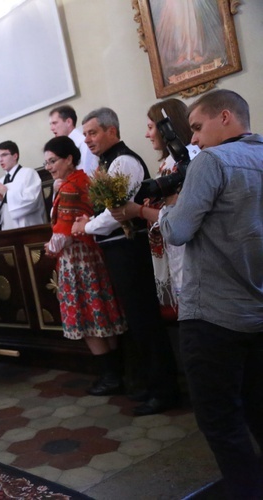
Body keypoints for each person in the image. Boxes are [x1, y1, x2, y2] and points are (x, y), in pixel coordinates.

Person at [159, 89, 263, 499]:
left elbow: (178, 231)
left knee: (219, 418)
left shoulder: (212, 162)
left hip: (213, 316)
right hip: (257, 309)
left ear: (226, 117)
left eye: (198, 128)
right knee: (259, 407)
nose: (195, 140)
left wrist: (169, 205)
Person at [71, 108, 180, 415]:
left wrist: (87, 226)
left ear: (111, 131)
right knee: (137, 321)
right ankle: (150, 383)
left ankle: (165, 390)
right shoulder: (107, 163)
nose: (88, 140)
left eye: (93, 133)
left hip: (131, 251)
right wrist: (90, 219)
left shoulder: (125, 161)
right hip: (118, 251)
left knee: (145, 320)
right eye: (86, 135)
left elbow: (119, 210)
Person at [43, 136, 127, 385]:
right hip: (92, 256)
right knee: (101, 315)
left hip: (77, 260)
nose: (48, 166)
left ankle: (110, 376)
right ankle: (117, 373)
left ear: (69, 159)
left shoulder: (70, 186)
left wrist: (49, 248)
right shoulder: (78, 180)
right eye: (46, 162)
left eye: (52, 161)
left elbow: (63, 233)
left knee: (89, 317)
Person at [110, 99, 199, 319]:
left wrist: (138, 211)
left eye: (151, 127)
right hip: (176, 250)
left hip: (191, 253)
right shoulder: (170, 162)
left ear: (167, 127)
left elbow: (180, 215)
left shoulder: (189, 159)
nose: (147, 135)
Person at [0, 141, 46, 231]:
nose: (0, 160)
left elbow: (32, 201)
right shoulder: (1, 181)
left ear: (15, 156)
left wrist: (6, 195)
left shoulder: (29, 173)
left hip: (30, 228)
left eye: (4, 155)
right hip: (8, 230)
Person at [49, 105, 99, 176]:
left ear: (69, 122)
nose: (51, 128)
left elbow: (89, 174)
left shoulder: (84, 143)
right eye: (50, 124)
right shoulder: (64, 145)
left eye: (54, 123)